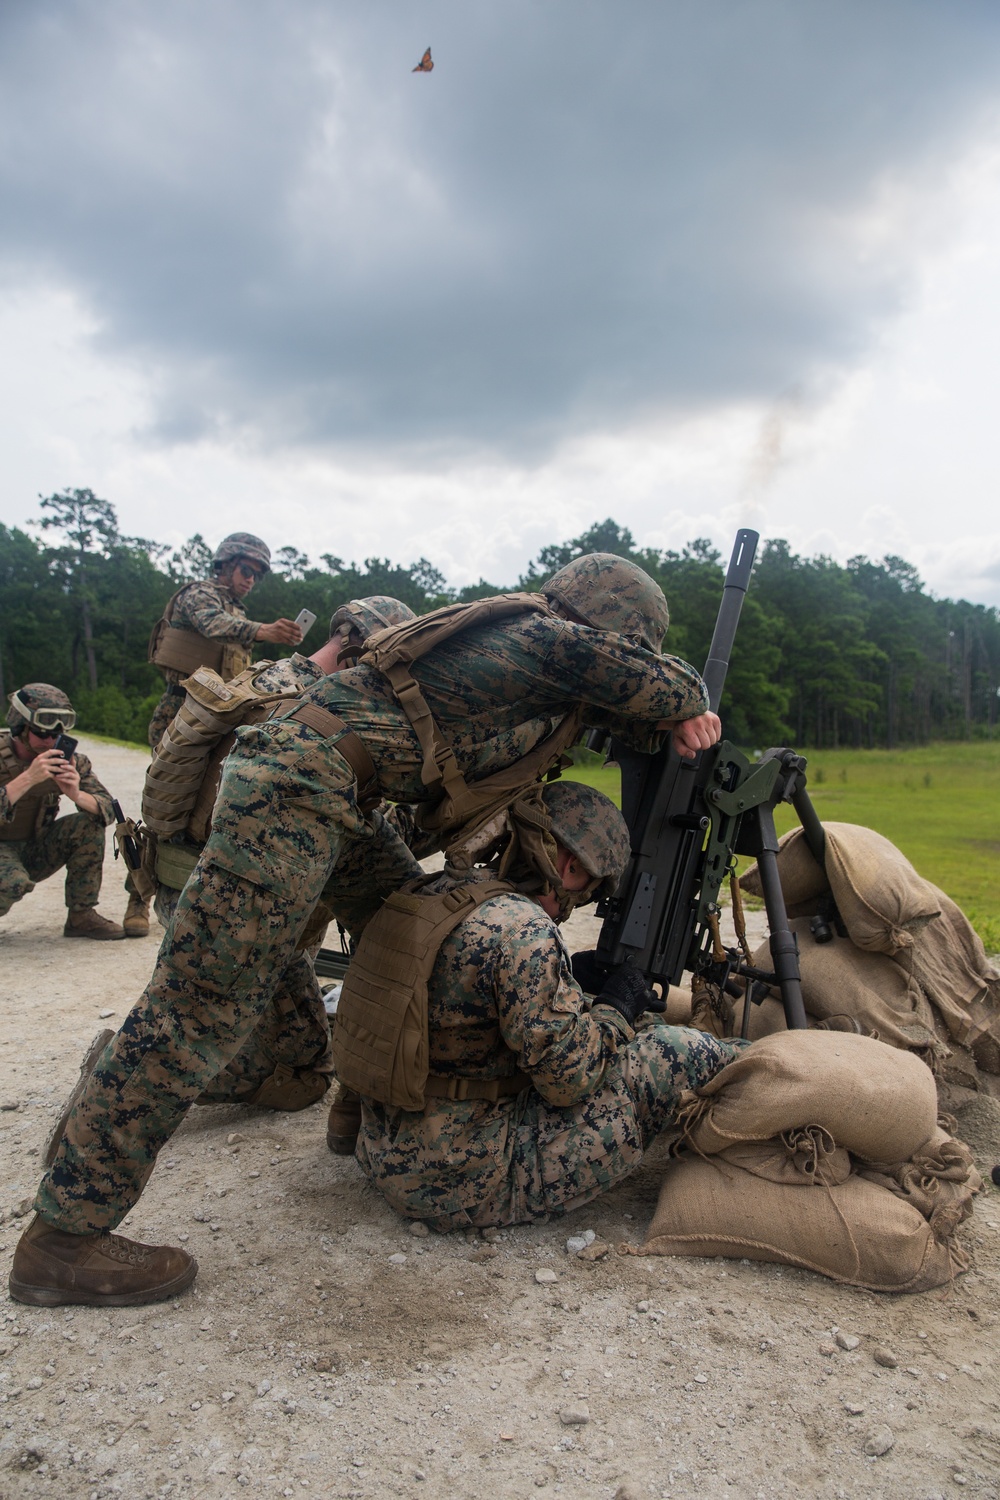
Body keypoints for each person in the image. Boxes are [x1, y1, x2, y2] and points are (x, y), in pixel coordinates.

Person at [13, 554, 722, 1307]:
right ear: (615, 627)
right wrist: (686, 703)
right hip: (298, 787)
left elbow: (613, 704)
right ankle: (65, 1238)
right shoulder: (541, 636)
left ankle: (360, 1106)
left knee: (414, 928)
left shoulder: (530, 658)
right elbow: (666, 687)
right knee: (199, 1010)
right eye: (634, 645)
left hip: (337, 793)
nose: (633, 660)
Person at [350, 782, 746, 1229]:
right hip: (463, 1180)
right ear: (569, 864)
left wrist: (571, 977)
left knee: (626, 1031)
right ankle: (782, 1062)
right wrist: (615, 1007)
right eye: (589, 890)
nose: (577, 905)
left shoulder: (431, 892)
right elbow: (569, 1083)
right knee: (674, 1051)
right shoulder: (524, 930)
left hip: (387, 1148)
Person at [124, 533, 304, 938]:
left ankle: (196, 890)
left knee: (207, 806)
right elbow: (213, 625)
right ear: (224, 565)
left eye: (257, 574)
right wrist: (263, 631)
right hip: (180, 709)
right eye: (246, 570)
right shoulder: (199, 594)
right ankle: (137, 895)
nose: (250, 580)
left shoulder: (236, 609)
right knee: (165, 803)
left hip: (220, 716)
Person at [0, 684, 122, 940]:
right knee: (13, 883)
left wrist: (75, 793)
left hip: (35, 848)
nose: (49, 741)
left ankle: (81, 916)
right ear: (20, 727)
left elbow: (108, 809)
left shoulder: (71, 761)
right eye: (41, 732)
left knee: (87, 825)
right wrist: (28, 778)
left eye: (56, 733)